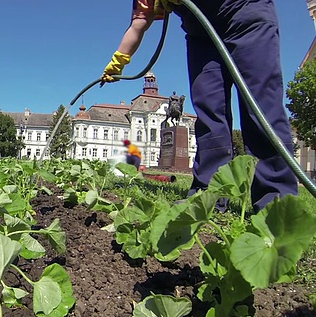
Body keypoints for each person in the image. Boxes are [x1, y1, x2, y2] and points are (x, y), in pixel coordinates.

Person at [102, 0, 297, 213]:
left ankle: (276, 201)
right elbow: (139, 22)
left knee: (260, 107)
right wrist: (118, 61)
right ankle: (209, 195)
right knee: (209, 111)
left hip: (245, 15)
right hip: (201, 36)